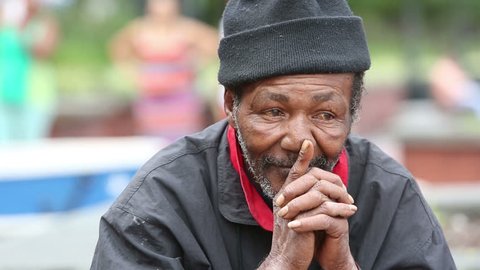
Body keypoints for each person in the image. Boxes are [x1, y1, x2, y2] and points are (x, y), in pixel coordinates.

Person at [91, 0, 456, 269]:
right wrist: (280, 263)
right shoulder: (159, 206)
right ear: (231, 105)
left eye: (326, 114)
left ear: (353, 115)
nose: (299, 140)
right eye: (273, 111)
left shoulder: (389, 196)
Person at [109, 0, 219, 140]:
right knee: (153, 142)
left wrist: (194, 65)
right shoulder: (140, 29)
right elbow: (118, 48)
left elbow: (213, 43)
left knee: (183, 140)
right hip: (152, 100)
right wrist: (133, 74)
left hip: (179, 100)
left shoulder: (185, 28)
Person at [0, 0, 59, 143]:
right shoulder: (6, 21)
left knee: (30, 147)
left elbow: (42, 51)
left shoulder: (45, 23)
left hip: (34, 97)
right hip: (5, 94)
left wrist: (21, 27)